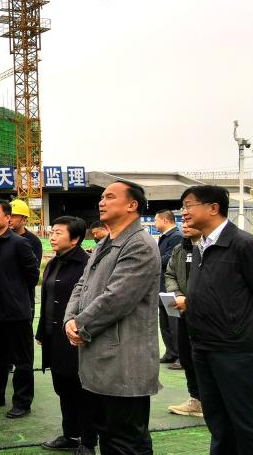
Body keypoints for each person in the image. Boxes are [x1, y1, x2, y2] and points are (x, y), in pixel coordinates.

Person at [179, 185, 253, 454]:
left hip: (235, 347)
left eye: (189, 206)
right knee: (218, 419)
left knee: (246, 420)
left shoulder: (244, 244)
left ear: (213, 208)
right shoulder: (200, 246)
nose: (184, 213)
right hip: (203, 344)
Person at [64, 180, 161, 454]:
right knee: (108, 436)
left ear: (132, 205)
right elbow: (82, 285)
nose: (101, 202)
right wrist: (70, 319)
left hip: (124, 363)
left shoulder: (140, 244)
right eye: (102, 197)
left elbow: (116, 298)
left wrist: (80, 324)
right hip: (99, 359)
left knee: (126, 442)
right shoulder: (105, 242)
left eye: (109, 197)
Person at [37, 215, 94, 452]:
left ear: (75, 239)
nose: (53, 236)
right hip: (54, 336)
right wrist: (42, 331)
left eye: (59, 233)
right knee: (62, 387)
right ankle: (70, 434)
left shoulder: (86, 265)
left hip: (75, 336)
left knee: (80, 388)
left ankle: (87, 439)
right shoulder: (53, 262)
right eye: (52, 232)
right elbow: (47, 299)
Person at [0, 201, 39, 419]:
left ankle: (22, 402)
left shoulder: (19, 243)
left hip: (14, 310)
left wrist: (14, 293)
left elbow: (32, 276)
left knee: (22, 359)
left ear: (7, 218)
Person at [165, 223, 203, 417]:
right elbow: (170, 274)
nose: (186, 225)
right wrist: (178, 295)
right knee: (186, 356)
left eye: (190, 221)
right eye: (184, 222)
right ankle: (195, 399)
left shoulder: (210, 248)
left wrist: (191, 300)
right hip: (183, 312)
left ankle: (211, 401)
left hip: (206, 313)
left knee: (205, 358)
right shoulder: (180, 249)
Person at [155, 209, 184, 364]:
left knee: (174, 323)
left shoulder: (176, 236)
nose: (155, 223)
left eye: (156, 220)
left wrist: (152, 259)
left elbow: (169, 259)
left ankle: (180, 354)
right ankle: (170, 352)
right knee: (165, 322)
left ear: (165, 220)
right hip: (162, 285)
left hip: (170, 286)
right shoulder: (165, 237)